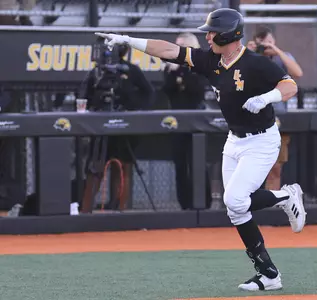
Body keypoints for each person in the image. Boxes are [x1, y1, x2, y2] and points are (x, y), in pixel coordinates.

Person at [95, 7, 306, 292]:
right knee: (235, 209)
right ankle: (269, 274)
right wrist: (128, 39)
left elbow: (290, 85)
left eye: (212, 32)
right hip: (235, 140)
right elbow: (171, 51)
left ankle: (285, 197)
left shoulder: (255, 63)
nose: (207, 37)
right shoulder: (211, 61)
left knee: (235, 198)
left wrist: (267, 98)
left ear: (229, 34)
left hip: (262, 140)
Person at [78, 42, 155, 213]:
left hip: (125, 128)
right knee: (95, 168)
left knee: (123, 166)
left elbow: (149, 92)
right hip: (100, 127)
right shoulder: (97, 71)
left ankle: (120, 209)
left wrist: (134, 109)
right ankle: (85, 211)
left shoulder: (130, 70)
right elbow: (83, 94)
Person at [247, 26, 303, 190]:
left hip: (278, 119)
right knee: (253, 168)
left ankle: (271, 206)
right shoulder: (250, 58)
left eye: (270, 42)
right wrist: (248, 53)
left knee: (275, 167)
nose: (267, 47)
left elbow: (298, 73)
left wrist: (277, 52)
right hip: (254, 121)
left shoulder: (282, 58)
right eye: (263, 43)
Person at [162, 33, 212, 210]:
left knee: (198, 162)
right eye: (177, 45)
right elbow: (167, 90)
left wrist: (181, 74)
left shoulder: (200, 65)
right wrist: (174, 73)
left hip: (196, 119)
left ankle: (204, 203)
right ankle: (184, 204)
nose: (178, 49)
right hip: (176, 120)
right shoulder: (171, 67)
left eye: (182, 46)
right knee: (180, 164)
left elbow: (196, 89)